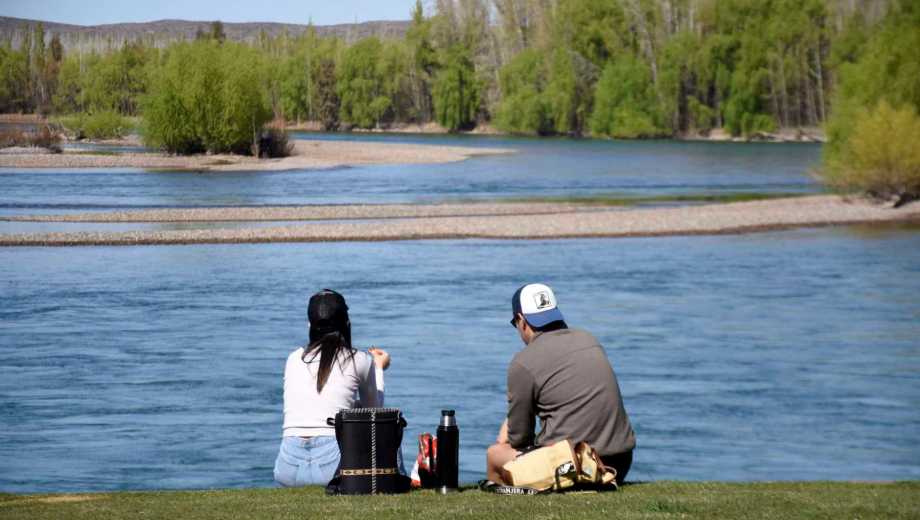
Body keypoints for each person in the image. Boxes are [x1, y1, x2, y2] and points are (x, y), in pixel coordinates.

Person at [486, 283, 636, 485]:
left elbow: (520, 439)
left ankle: (503, 501)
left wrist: (510, 424)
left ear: (521, 320)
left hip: (575, 467)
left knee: (495, 454)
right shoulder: (588, 339)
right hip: (619, 463)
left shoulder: (523, 362)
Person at [274, 289, 393, 487]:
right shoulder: (359, 360)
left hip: (288, 467)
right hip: (332, 466)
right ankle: (398, 481)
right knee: (388, 426)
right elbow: (374, 414)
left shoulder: (294, 358)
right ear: (347, 324)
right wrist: (379, 368)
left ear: (309, 325)